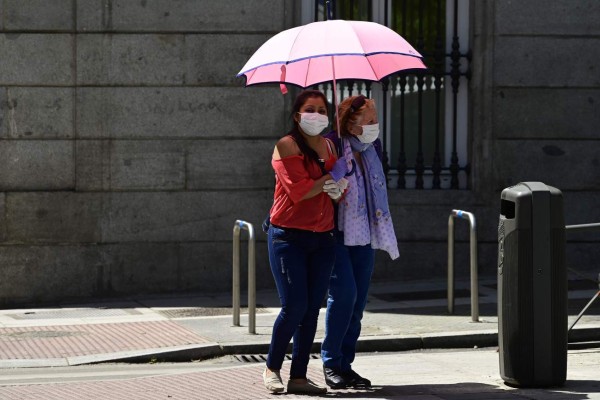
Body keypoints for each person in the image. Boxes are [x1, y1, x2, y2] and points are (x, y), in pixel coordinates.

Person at [262, 89, 348, 395]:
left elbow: (335, 188)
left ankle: (299, 376)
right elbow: (298, 192)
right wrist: (330, 180)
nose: (317, 115)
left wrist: (341, 188)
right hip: (288, 237)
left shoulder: (329, 146)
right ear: (298, 116)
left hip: (322, 238)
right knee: (294, 305)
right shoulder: (286, 146)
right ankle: (272, 367)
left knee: (312, 309)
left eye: (322, 109)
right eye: (310, 109)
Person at [321, 95, 400, 389]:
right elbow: (321, 183)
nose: (375, 126)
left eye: (376, 119)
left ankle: (345, 363)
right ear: (350, 124)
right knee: (344, 295)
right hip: (335, 232)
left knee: (358, 301)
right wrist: (334, 177)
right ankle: (331, 362)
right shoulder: (330, 144)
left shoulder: (371, 147)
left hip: (365, 230)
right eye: (369, 121)